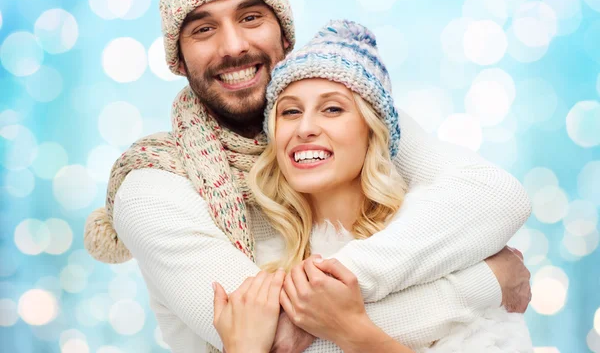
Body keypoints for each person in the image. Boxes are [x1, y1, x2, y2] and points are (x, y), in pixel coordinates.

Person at [83, 0, 533, 352]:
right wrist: (488, 281)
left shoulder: (351, 116)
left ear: (284, 34)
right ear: (178, 59)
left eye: (251, 17)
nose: (234, 45)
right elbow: (278, 339)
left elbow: (497, 196)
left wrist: (337, 286)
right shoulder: (152, 186)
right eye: (203, 29)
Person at [211, 20, 531, 352]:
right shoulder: (256, 267)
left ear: (372, 132)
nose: (305, 127)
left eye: (332, 109)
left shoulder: (439, 246)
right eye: (290, 112)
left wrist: (352, 329)